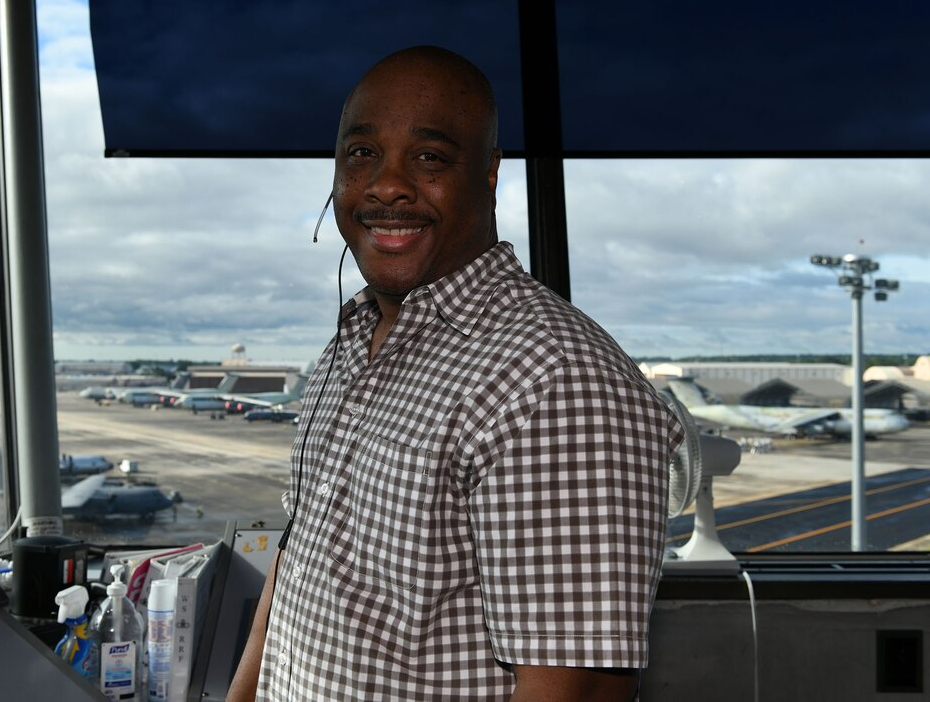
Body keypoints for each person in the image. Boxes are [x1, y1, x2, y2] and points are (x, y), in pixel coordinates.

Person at [229, 45, 684, 701]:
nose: (387, 185)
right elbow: (297, 574)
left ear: (490, 173)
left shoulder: (552, 381)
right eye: (362, 154)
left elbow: (575, 689)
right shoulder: (351, 346)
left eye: (430, 157)